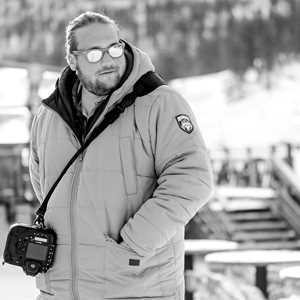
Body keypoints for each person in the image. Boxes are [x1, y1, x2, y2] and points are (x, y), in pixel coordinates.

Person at [29, 11, 214, 300]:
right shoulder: (49, 115)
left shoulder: (159, 103)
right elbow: (44, 187)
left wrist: (133, 244)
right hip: (60, 290)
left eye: (114, 47)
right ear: (72, 60)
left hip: (136, 287)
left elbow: (193, 179)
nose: (108, 60)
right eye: (93, 53)